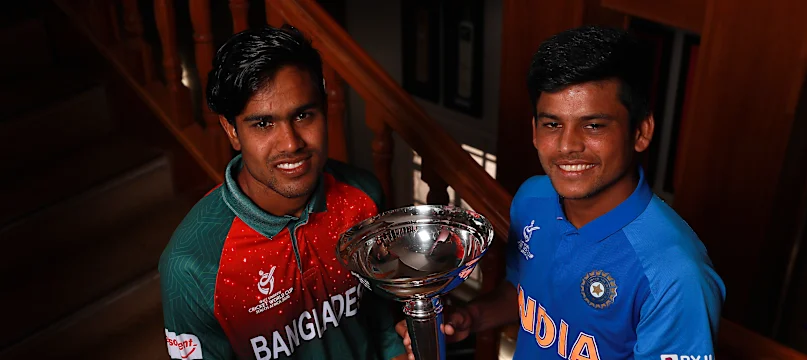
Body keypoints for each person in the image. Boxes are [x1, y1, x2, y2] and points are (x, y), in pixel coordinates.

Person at [397, 25, 726, 359]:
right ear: (535, 132)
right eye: (552, 124)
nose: (567, 146)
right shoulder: (531, 199)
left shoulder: (675, 275)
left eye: (594, 125)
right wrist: (471, 317)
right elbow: (525, 291)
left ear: (640, 132)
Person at [159, 25, 405, 360]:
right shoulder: (191, 264)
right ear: (232, 130)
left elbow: (380, 317)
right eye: (263, 124)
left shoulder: (362, 195)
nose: (291, 143)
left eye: (303, 115)